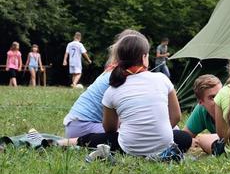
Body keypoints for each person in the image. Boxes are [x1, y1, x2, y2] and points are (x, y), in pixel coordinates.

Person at [58, 34, 192, 160]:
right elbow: (176, 117)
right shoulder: (162, 79)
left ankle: (61, 143)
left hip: (128, 148)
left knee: (104, 138)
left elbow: (109, 130)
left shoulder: (112, 89)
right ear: (144, 57)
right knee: (185, 138)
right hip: (162, 146)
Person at [62, 29, 141, 138]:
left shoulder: (114, 71)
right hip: (83, 127)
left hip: (76, 125)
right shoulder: (120, 76)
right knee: (136, 134)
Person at [183, 74, 222, 154]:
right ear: (201, 102)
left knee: (202, 139)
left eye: (221, 94)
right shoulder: (201, 110)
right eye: (212, 97)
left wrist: (200, 140)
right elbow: (185, 136)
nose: (218, 100)